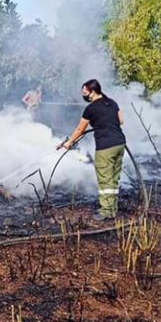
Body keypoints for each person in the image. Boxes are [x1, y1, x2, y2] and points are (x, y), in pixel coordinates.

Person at [57, 79, 126, 221]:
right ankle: (112, 209)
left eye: (85, 92)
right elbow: (120, 121)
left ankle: (106, 211)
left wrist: (69, 142)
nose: (84, 95)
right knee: (113, 178)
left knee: (105, 179)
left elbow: (80, 129)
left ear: (92, 91)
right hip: (120, 143)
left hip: (105, 147)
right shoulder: (112, 102)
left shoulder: (91, 108)